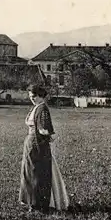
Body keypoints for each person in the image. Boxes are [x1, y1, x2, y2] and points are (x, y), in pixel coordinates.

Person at [19, 84, 69, 213]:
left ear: (41, 96)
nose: (32, 99)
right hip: (31, 143)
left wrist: (44, 136)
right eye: (31, 96)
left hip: (37, 144)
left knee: (37, 173)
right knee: (30, 173)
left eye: (35, 96)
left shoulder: (42, 109)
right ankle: (32, 201)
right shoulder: (36, 108)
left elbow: (45, 129)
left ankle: (38, 203)